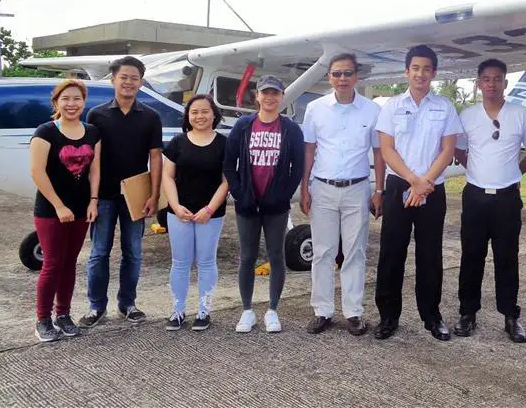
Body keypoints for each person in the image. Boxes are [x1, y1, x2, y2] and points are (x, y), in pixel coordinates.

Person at [372, 44, 463, 341]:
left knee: (430, 254)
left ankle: (431, 316)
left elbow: (448, 149)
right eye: (415, 68)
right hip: (401, 185)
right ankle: (388, 317)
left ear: (434, 73)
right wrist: (414, 181)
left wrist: (425, 184)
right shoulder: (393, 107)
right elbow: (387, 149)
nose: (420, 74)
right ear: (406, 71)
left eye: (426, 69)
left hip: (432, 188)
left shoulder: (445, 107)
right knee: (391, 253)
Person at [299, 53, 385, 336]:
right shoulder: (315, 108)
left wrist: (379, 190)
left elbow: (378, 152)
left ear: (356, 77)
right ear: (329, 77)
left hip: (357, 188)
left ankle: (353, 312)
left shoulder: (371, 110)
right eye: (337, 74)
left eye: (348, 73)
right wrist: (304, 187)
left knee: (355, 252)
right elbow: (309, 149)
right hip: (322, 188)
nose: (342, 79)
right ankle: (322, 311)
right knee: (323, 252)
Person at [451, 58, 526, 343]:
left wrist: (516, 172)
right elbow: (460, 151)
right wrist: (474, 168)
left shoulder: (520, 114)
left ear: (505, 83)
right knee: (471, 256)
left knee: (507, 258)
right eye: (486, 79)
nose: (491, 84)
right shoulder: (468, 115)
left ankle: (511, 317)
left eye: (497, 78)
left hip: (507, 197)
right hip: (475, 195)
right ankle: (467, 313)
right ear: (478, 83)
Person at [80, 56, 163, 328]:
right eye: (123, 77)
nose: (128, 82)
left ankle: (128, 303)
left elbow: (156, 157)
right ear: (113, 79)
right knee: (99, 252)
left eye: (134, 78)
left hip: (135, 195)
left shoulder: (151, 117)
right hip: (103, 195)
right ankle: (96, 306)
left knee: (134, 252)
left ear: (141, 82)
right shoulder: (96, 115)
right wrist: (91, 197)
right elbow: (92, 159)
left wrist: (153, 194)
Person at [223, 74, 305, 333]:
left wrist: (283, 195)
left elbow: (298, 167)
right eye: (265, 92)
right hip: (248, 204)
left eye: (275, 93)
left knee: (276, 255)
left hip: (276, 206)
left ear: (281, 97)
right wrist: (239, 193)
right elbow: (229, 164)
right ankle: (247, 310)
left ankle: (272, 309)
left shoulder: (291, 129)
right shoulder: (243, 126)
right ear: (256, 96)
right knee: (247, 256)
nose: (270, 97)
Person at [30, 79, 101, 342]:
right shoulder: (46, 131)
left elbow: (95, 169)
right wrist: (59, 206)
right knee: (52, 264)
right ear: (56, 102)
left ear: (84, 102)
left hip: (82, 208)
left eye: (77, 98)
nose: (72, 104)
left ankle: (63, 314)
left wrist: (93, 201)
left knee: (70, 263)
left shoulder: (92, 132)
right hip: (51, 210)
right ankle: (43, 319)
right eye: (66, 99)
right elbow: (37, 172)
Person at [162, 95, 228, 331]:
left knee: (206, 261)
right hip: (179, 212)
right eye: (194, 112)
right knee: (180, 263)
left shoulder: (223, 144)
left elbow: (226, 182)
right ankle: (178, 310)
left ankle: (204, 310)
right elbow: (167, 177)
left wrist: (209, 209)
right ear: (188, 116)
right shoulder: (177, 142)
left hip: (210, 213)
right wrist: (176, 206)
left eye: (205, 111)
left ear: (214, 115)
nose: (200, 116)